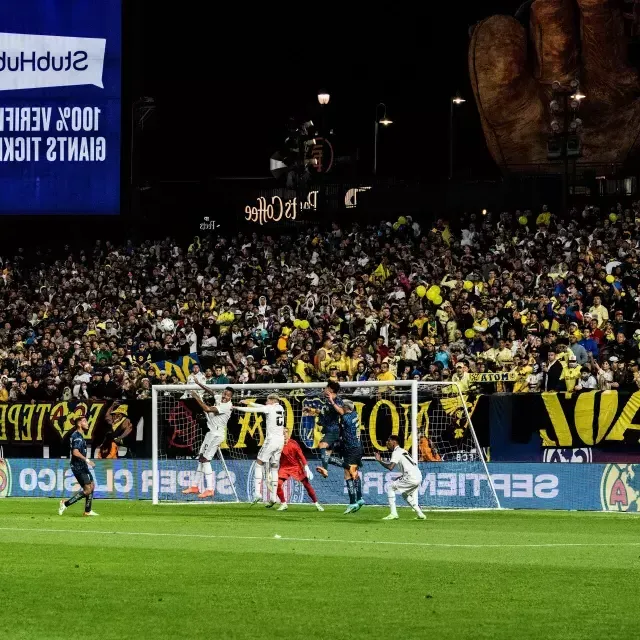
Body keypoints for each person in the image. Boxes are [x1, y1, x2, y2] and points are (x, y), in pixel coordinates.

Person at [182, 382, 234, 499]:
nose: (224, 397)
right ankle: (195, 486)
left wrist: (197, 397)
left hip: (217, 434)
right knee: (201, 457)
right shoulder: (220, 398)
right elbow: (212, 392)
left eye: (227, 396)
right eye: (224, 394)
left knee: (205, 459)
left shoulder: (226, 406)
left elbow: (206, 408)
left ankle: (210, 489)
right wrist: (198, 383)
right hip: (210, 433)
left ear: (231, 397)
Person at [234, 393, 285, 506]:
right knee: (274, 467)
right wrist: (250, 402)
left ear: (271, 400)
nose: (266, 403)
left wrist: (236, 407)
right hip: (280, 441)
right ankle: (273, 497)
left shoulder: (269, 407)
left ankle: (257, 493)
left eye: (267, 400)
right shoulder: (280, 408)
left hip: (271, 440)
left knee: (259, 462)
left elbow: (253, 410)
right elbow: (261, 407)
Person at [374, 434, 426, 521]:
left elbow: (390, 467)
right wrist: (401, 476)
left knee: (390, 487)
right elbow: (411, 466)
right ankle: (420, 514)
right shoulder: (403, 451)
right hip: (418, 476)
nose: (387, 443)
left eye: (389, 441)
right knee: (405, 494)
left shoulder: (396, 452)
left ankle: (393, 513)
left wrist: (379, 461)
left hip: (411, 477)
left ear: (394, 442)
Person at [328, 399, 365, 514]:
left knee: (347, 475)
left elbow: (340, 412)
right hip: (358, 447)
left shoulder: (346, 418)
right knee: (354, 473)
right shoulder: (355, 414)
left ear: (346, 408)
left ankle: (353, 502)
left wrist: (332, 402)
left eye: (342, 407)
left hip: (351, 449)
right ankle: (359, 498)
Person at [275, 427, 324, 512]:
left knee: (307, 485)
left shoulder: (294, 444)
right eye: (282, 432)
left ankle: (317, 503)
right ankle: (283, 504)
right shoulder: (278, 445)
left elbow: (301, 455)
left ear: (289, 433)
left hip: (296, 467)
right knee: (278, 484)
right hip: (284, 467)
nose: (284, 434)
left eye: (286, 432)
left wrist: (306, 467)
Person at [58, 416, 99, 517]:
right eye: (85, 421)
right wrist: (88, 460)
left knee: (91, 486)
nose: (87, 423)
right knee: (87, 490)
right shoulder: (77, 436)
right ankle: (65, 503)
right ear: (79, 424)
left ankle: (87, 511)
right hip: (78, 467)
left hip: (82, 466)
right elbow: (75, 452)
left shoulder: (79, 436)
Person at [304, 381, 344, 478]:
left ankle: (326, 469)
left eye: (326, 388)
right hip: (327, 430)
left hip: (333, 430)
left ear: (330, 390)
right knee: (327, 456)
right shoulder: (327, 401)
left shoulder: (338, 400)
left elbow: (342, 412)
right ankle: (347, 465)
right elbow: (322, 412)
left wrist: (332, 401)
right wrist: (311, 410)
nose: (324, 389)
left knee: (322, 445)